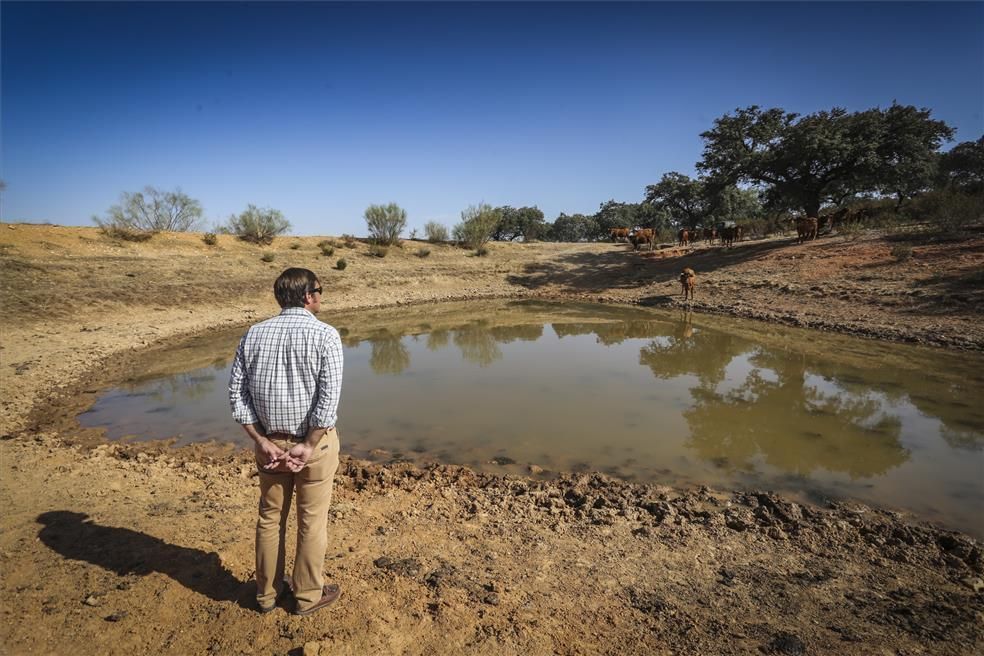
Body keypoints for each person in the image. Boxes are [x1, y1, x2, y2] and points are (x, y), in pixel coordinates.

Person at [229, 267, 344, 616]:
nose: (322, 296)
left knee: (269, 517)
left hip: (270, 446)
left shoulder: (253, 334)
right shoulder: (326, 336)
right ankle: (308, 596)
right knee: (311, 521)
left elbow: (237, 397)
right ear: (308, 296)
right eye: (320, 290)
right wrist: (308, 446)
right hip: (314, 447)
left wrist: (261, 440)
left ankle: (265, 595)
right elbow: (327, 404)